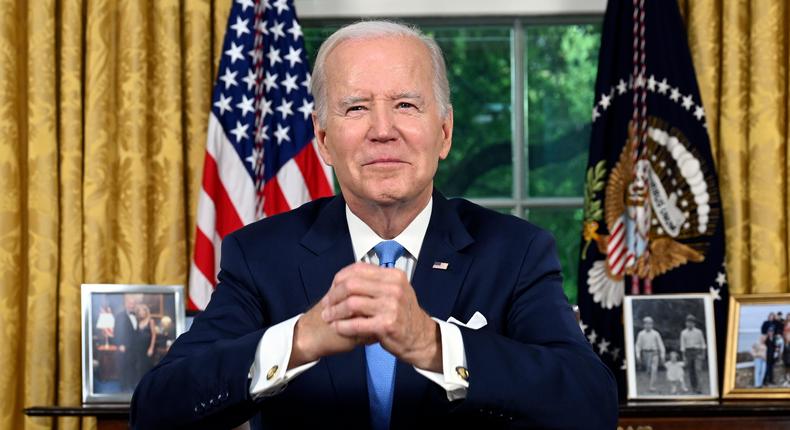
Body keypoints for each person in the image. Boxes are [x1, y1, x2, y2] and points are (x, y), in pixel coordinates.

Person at [130, 21, 618, 429]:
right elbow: (156, 410)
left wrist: (434, 345)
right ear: (323, 140)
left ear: (443, 133)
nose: (383, 129)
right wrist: (299, 341)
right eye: (356, 107)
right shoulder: (259, 256)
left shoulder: (515, 251)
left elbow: (591, 405)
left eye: (406, 104)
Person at [113, 294, 141, 391]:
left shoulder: (136, 316)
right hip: (124, 347)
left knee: (132, 367)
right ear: (125, 304)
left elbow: (135, 332)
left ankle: (132, 385)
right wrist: (120, 345)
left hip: (134, 347)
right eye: (130, 303)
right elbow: (116, 331)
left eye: (133, 303)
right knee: (124, 367)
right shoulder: (120, 316)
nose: (131, 305)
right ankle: (123, 387)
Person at [635, 316, 665, 392]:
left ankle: (652, 386)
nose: (648, 325)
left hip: (654, 353)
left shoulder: (656, 334)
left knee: (654, 369)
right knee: (648, 370)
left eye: (650, 324)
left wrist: (662, 355)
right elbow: (638, 345)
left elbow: (660, 344)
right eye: (646, 324)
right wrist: (638, 355)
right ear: (644, 325)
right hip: (645, 353)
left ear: (652, 325)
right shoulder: (641, 334)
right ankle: (649, 384)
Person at [679, 314, 706, 394]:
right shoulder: (683, 333)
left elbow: (703, 344)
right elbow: (682, 345)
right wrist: (683, 356)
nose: (689, 324)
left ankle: (699, 388)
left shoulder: (698, 332)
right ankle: (694, 387)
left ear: (694, 323)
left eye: (691, 322)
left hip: (697, 351)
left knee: (698, 369)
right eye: (688, 322)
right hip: (688, 352)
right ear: (686, 323)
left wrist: (703, 354)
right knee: (691, 371)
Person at [132, 304, 158, 384]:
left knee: (147, 366)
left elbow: (154, 335)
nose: (141, 313)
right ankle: (141, 383)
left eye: (143, 311)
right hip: (139, 348)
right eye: (140, 311)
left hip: (147, 347)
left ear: (146, 312)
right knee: (139, 366)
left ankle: (148, 383)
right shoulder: (138, 321)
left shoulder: (151, 321)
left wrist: (151, 348)